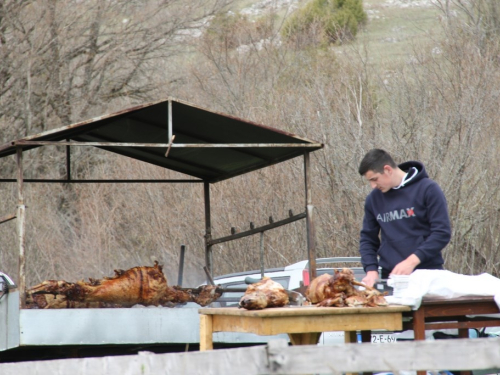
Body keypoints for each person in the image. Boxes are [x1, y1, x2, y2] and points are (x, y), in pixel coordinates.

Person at [358, 149, 451, 287]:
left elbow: (441, 233)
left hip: (427, 275)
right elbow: (367, 239)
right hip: (391, 278)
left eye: (374, 179)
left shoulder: (428, 189)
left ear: (388, 169)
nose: (373, 186)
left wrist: (411, 261)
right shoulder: (373, 199)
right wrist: (371, 269)